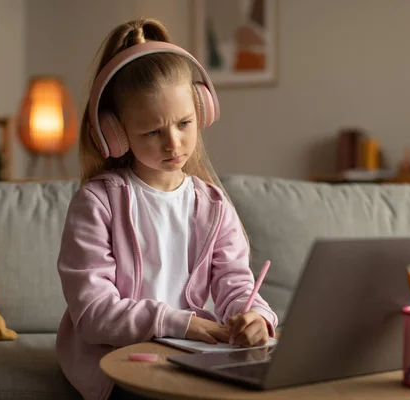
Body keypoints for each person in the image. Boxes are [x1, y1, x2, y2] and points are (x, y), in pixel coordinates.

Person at [55, 18, 278, 400]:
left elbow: (235, 283)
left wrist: (255, 316)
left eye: (184, 124)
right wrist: (183, 324)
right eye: (152, 132)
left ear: (202, 112)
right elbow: (93, 314)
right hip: (117, 360)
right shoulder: (96, 204)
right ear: (116, 133)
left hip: (184, 353)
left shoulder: (213, 205)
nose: (173, 143)